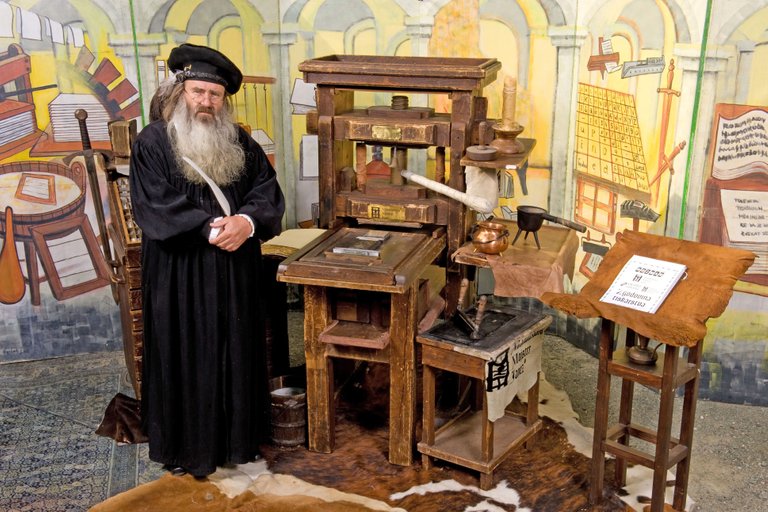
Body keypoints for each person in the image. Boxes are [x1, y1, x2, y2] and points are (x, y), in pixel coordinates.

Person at [129, 43, 285, 478]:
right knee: (184, 355)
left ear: (224, 101)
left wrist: (248, 223)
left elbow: (268, 192)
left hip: (235, 270)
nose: (206, 102)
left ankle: (237, 442)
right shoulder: (153, 142)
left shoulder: (240, 142)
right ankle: (183, 448)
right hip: (180, 273)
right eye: (198, 92)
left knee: (235, 351)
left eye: (215, 95)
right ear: (181, 93)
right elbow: (154, 204)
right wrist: (211, 228)